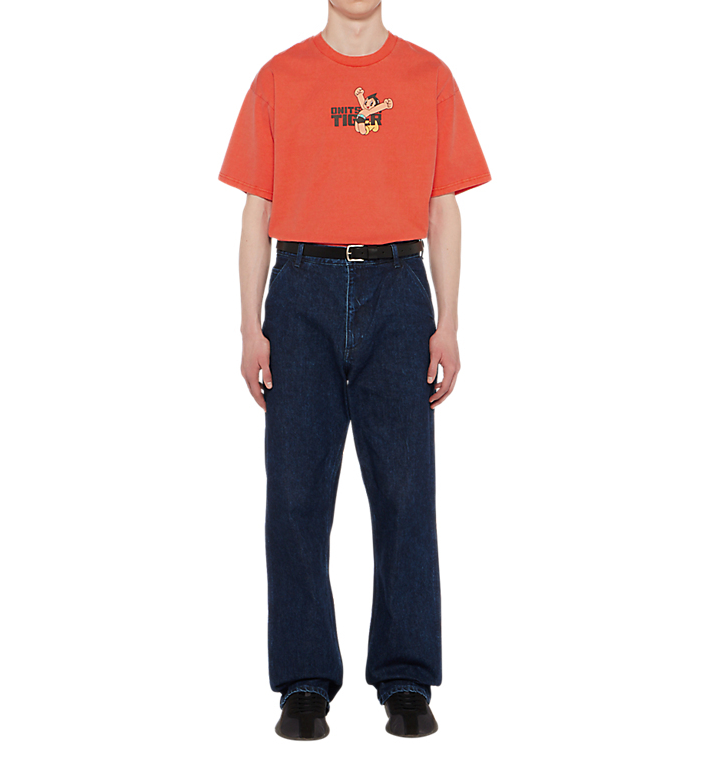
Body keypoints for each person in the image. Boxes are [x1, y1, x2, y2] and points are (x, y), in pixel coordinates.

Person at [218, 0, 490, 740]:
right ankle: (304, 681)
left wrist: (449, 321)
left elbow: (443, 206)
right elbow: (255, 209)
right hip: (299, 288)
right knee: (296, 493)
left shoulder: (429, 77)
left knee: (405, 491)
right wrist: (249, 325)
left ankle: (406, 677)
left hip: (398, 289)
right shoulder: (280, 77)